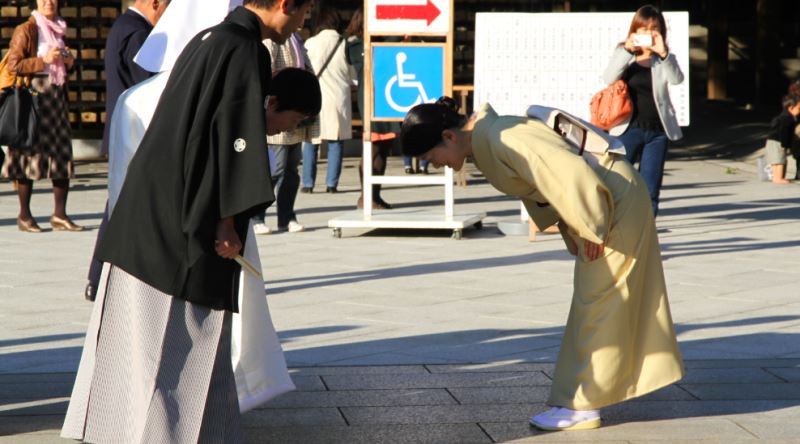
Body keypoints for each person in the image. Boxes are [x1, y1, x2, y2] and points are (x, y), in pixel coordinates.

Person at [59, 1, 316, 442]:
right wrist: (229, 221)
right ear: (283, 4)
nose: (302, 22)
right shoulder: (243, 48)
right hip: (179, 234)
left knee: (149, 358)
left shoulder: (208, 40)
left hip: (146, 221)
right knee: (179, 358)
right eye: (304, 11)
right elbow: (233, 138)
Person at [401, 97, 684, 431]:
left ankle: (583, 404)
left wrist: (591, 226)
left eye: (430, 157)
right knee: (598, 301)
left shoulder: (503, 136)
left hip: (609, 202)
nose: (436, 165)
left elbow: (566, 172)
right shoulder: (492, 136)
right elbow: (548, 183)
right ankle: (585, 396)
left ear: (449, 136)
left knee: (599, 303)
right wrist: (577, 227)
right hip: (607, 199)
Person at [84, 0, 169, 301]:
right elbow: (145, 87)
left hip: (125, 131)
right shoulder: (137, 31)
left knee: (119, 205)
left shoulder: (124, 26)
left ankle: (102, 276)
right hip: (133, 132)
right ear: (154, 2)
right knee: (121, 207)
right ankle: (100, 276)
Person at [2, 0, 80, 233]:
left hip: (56, 97)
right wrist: (43, 61)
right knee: (28, 154)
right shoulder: (26, 29)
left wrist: (69, 62)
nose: (49, 2)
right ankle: (24, 216)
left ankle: (60, 215)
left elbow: (64, 66)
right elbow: (14, 65)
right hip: (33, 97)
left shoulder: (60, 28)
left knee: (61, 153)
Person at [602, 4, 684, 217]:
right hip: (627, 130)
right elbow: (608, 78)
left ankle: (646, 239)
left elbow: (677, 79)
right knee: (618, 183)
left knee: (650, 190)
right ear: (634, 30)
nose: (648, 33)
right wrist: (628, 50)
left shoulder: (663, 59)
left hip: (657, 132)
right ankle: (617, 231)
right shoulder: (624, 53)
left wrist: (664, 53)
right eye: (643, 29)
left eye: (653, 28)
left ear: (661, 31)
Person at [253, 32, 315, 235]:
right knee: (274, 169)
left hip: (294, 115)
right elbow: (267, 74)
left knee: (291, 171)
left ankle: (286, 216)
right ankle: (257, 216)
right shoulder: (272, 39)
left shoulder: (296, 38)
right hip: (279, 113)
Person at [346, 7, 394, 209]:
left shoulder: (376, 42)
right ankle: (365, 196)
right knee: (371, 148)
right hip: (371, 100)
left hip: (386, 100)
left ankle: (375, 194)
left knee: (383, 150)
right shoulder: (356, 45)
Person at [302, 5, 352, 194]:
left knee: (310, 141)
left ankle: (308, 184)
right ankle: (332, 184)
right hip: (337, 98)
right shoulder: (344, 43)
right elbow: (351, 73)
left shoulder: (310, 43)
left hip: (314, 96)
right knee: (335, 141)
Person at [764, 93, 800, 184]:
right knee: (780, 160)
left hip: (772, 141)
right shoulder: (787, 118)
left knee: (776, 160)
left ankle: (777, 177)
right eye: (799, 108)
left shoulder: (782, 117)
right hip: (778, 141)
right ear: (791, 107)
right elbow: (784, 132)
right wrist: (785, 143)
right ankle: (778, 178)